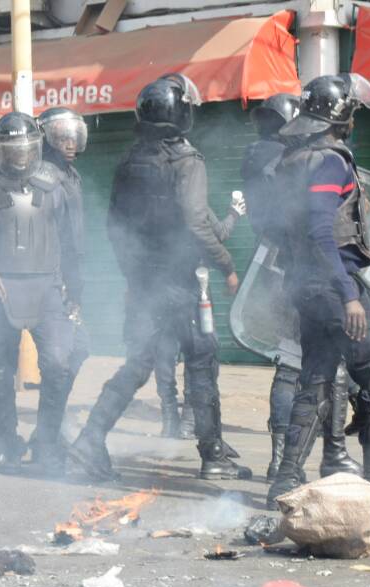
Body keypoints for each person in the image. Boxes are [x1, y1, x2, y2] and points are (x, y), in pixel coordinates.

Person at [67, 73, 250, 483]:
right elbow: (197, 223)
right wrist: (226, 265)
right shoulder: (187, 161)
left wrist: (133, 276)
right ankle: (213, 454)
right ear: (180, 114)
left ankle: (89, 441)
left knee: (138, 364)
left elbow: (115, 227)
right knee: (202, 363)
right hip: (182, 284)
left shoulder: (130, 161)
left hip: (146, 283)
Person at [267, 73, 370, 506]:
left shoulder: (291, 159)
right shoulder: (330, 161)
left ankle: (286, 480)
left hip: (305, 286)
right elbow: (320, 230)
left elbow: (284, 229)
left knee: (314, 381)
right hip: (334, 288)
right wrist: (349, 294)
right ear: (341, 114)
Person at [240, 93, 361, 484]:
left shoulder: (267, 160)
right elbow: (318, 225)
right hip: (305, 269)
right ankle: (317, 458)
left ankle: (296, 459)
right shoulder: (292, 161)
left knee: (297, 363)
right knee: (305, 367)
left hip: (284, 266)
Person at [0, 111, 76, 477]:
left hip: (47, 289)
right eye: (10, 149)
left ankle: (47, 440)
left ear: (36, 148)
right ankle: (7, 439)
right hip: (0, 291)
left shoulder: (54, 185)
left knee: (58, 363)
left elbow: (72, 241)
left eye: (24, 149)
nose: (18, 156)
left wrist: (76, 289)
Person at [34, 107, 88, 462]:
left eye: (74, 136)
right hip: (50, 284)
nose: (69, 143)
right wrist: (72, 288)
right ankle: (45, 439)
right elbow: (63, 239)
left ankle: (48, 429)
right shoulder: (47, 177)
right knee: (60, 359)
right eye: (61, 136)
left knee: (77, 350)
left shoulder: (70, 174)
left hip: (64, 280)